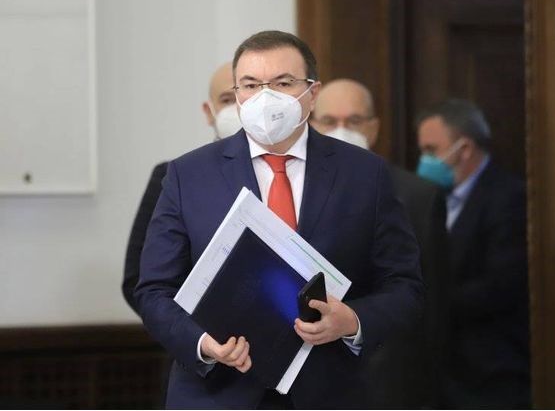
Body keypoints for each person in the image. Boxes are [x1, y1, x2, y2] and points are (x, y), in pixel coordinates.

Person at [134, 30, 424, 409]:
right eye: (251, 85)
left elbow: (404, 285)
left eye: (283, 83)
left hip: (329, 392)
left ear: (313, 93)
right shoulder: (188, 176)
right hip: (218, 394)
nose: (265, 97)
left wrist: (352, 320)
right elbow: (153, 290)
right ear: (237, 93)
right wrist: (204, 344)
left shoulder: (365, 174)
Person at [311, 78, 449, 408]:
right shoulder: (289, 187)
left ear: (373, 128)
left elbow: (432, 306)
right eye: (329, 121)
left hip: (389, 384)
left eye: (354, 121)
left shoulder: (418, 196)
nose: (342, 130)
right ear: (312, 125)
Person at [415, 98, 531, 408]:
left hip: (490, 371)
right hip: (443, 369)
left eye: (431, 150)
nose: (424, 161)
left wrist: (427, 305)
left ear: (464, 149)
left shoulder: (508, 198)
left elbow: (501, 285)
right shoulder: (434, 200)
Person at [122, 62, 241, 314]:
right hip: (197, 333)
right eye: (227, 99)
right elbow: (138, 279)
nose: (238, 108)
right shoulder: (174, 177)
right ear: (209, 111)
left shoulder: (290, 173)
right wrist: (192, 331)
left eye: (246, 96)